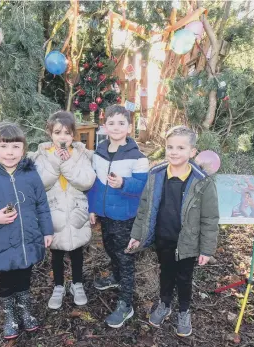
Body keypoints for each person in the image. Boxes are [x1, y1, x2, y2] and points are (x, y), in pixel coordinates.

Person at [127, 125, 219, 337]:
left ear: (192, 152)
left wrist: (206, 249)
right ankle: (164, 303)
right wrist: (137, 235)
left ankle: (184, 311)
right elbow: (144, 207)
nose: (174, 152)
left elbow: (210, 218)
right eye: (170, 147)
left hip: (186, 242)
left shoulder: (202, 181)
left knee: (184, 277)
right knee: (166, 272)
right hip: (163, 238)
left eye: (180, 147)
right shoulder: (156, 174)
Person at [0, 121, 53, 340]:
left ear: (23, 149)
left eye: (15, 147)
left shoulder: (30, 175)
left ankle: (25, 309)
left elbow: (42, 205)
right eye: (3, 147)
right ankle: (10, 315)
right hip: (2, 240)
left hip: (28, 238)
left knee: (25, 275)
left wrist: (47, 231)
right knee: (6, 279)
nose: (10, 152)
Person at [87, 105, 149, 328]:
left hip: (124, 216)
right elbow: (94, 184)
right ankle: (115, 277)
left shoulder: (138, 158)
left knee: (125, 257)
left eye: (121, 123)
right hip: (105, 214)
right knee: (110, 248)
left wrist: (124, 183)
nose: (116, 127)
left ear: (129, 128)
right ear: (104, 126)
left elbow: (143, 187)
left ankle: (126, 303)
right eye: (111, 123)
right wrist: (92, 208)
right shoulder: (99, 152)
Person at [29, 111, 96, 310]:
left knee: (77, 252)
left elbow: (87, 181)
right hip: (54, 213)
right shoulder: (41, 156)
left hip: (76, 212)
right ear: (50, 133)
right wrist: (57, 161)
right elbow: (40, 184)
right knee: (56, 253)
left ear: (73, 135)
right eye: (58, 132)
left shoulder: (81, 154)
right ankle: (58, 286)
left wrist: (67, 163)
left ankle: (77, 284)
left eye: (67, 133)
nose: (63, 137)